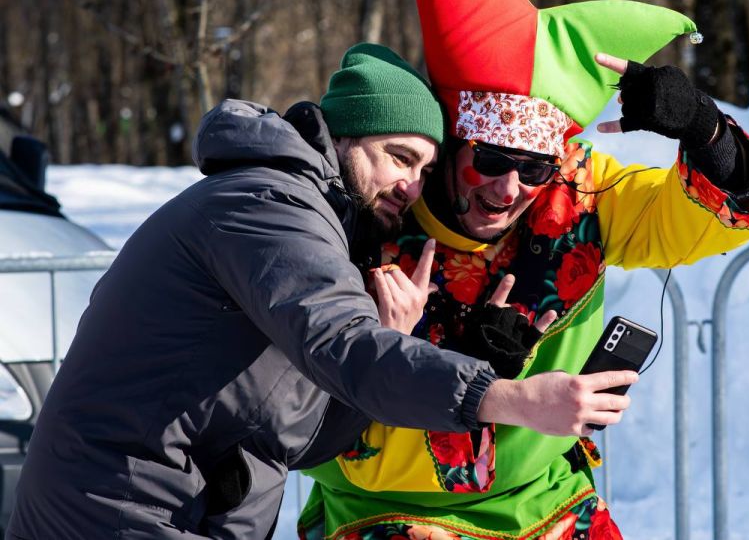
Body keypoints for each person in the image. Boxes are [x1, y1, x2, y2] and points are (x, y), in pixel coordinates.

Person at [5, 43, 639, 540]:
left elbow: (313, 439)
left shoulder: (321, 225)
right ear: (345, 138)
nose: (412, 186)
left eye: (423, 168)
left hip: (171, 508)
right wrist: (512, 399)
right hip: (119, 509)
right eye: (398, 156)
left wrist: (401, 342)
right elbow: (346, 348)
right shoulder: (268, 205)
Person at [298, 0, 749, 540]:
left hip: (544, 503)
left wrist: (703, 128)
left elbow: (728, 218)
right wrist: (472, 374)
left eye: (532, 168)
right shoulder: (375, 207)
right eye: (493, 159)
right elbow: (313, 424)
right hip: (385, 509)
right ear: (452, 145)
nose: (509, 190)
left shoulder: (578, 193)